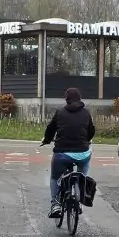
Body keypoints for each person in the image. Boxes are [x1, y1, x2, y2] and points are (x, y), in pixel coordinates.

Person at [40, 88, 95, 218]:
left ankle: (56, 205)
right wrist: (85, 141)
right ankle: (80, 194)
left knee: (54, 177)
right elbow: (91, 131)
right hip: (82, 153)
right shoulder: (86, 113)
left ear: (66, 99)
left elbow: (50, 130)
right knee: (83, 172)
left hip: (62, 153)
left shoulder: (60, 113)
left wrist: (47, 140)